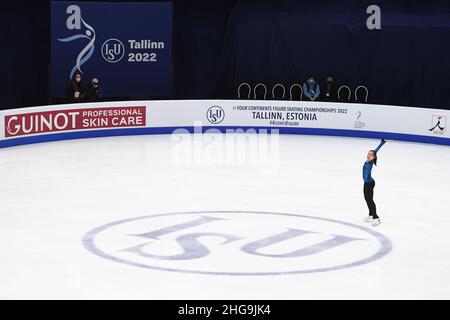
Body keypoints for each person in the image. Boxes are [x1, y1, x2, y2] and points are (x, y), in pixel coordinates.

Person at [363, 139, 387, 226]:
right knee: (367, 199)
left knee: (370, 200)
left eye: (370, 155)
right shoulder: (368, 161)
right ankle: (370, 215)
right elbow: (375, 151)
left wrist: (366, 180)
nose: (368, 155)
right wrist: (381, 144)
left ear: (373, 157)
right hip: (366, 183)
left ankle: (376, 218)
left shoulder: (370, 163)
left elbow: (375, 153)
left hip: (369, 183)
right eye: (368, 154)